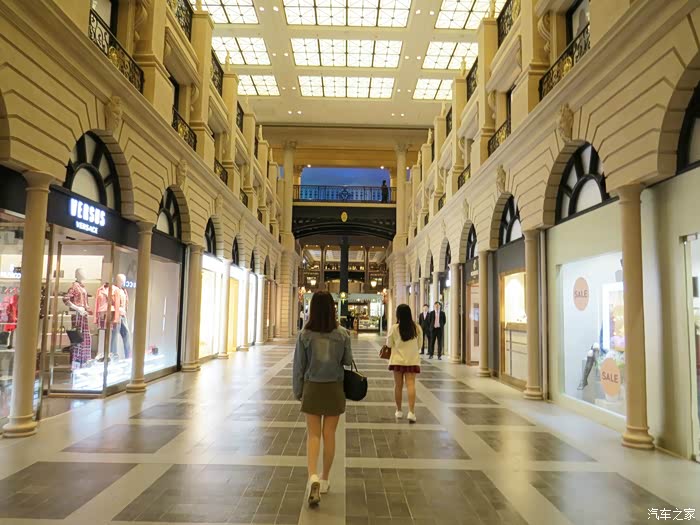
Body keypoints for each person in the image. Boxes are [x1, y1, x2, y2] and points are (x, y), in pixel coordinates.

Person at [293, 291, 352, 508]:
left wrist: (298, 391)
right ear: (332, 309)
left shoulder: (304, 335)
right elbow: (348, 361)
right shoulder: (343, 334)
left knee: (313, 435)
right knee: (329, 434)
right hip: (334, 388)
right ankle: (325, 479)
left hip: (312, 387)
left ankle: (313, 477)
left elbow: (299, 366)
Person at [386, 304, 422, 422]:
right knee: (411, 385)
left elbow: (389, 344)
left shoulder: (394, 328)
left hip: (397, 360)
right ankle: (411, 412)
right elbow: (419, 345)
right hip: (412, 360)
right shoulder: (417, 328)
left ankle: (399, 410)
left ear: (398, 315)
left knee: (398, 385)